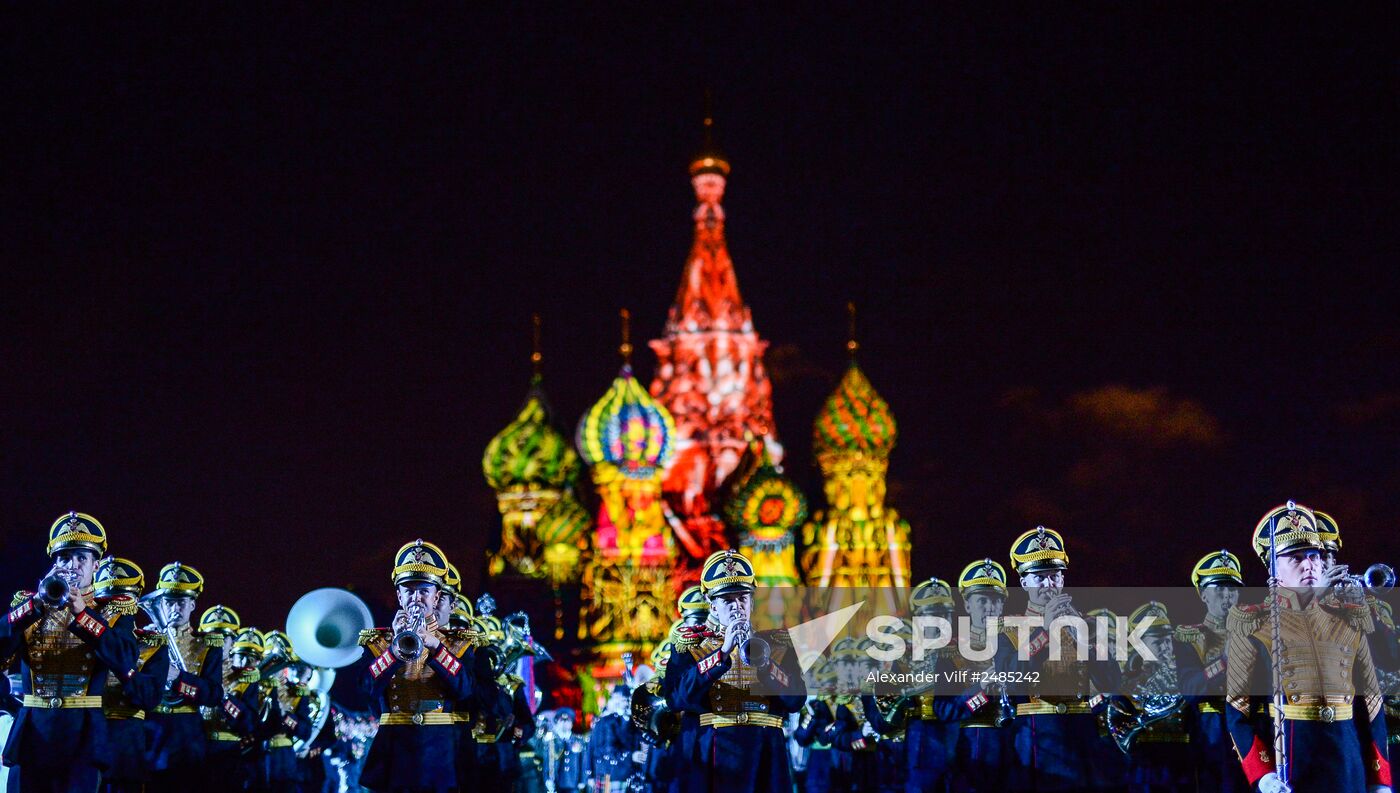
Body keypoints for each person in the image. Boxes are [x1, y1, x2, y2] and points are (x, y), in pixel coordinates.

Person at [1225, 502, 1392, 793]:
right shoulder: (1254, 625)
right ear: (1274, 569)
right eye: (1296, 557)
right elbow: (1238, 711)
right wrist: (1262, 775)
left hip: (1347, 760)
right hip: (1293, 760)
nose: (1310, 565)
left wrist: (1380, 779)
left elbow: (1372, 707)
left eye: (1314, 555)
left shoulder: (1348, 621)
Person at [0, 511, 140, 793]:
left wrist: (82, 613)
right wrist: (37, 604)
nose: (72, 566)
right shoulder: (29, 605)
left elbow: (125, 659)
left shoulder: (112, 611)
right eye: (64, 558)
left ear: (95, 565)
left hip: (83, 736)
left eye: (81, 558)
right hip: (32, 733)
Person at [994, 526, 1124, 792]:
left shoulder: (1087, 623)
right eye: (1039, 577)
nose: (1049, 585)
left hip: (1084, 735)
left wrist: (1084, 638)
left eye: (1054, 576)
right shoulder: (1007, 629)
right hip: (1037, 737)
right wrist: (1046, 630)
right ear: (1024, 582)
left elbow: (1112, 680)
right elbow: (1012, 680)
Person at [666, 549, 806, 792]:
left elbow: (795, 700)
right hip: (714, 752)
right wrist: (721, 654)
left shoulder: (779, 643)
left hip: (766, 754)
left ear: (752, 601)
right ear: (711, 604)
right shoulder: (689, 644)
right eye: (727, 600)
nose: (737, 607)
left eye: (743, 598)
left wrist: (764, 663)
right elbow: (676, 697)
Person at [357, 539, 489, 793]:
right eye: (409, 590)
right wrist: (394, 651)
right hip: (395, 754)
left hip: (443, 754)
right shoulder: (379, 641)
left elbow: (466, 690)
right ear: (398, 595)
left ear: (436, 595)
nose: (416, 598)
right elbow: (365, 691)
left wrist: (435, 647)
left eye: (423, 591)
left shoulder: (460, 643)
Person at [1173, 549, 1250, 792]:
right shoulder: (1188, 636)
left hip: (1251, 728)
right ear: (1203, 594)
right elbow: (1190, 689)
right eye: (1219, 589)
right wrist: (1224, 661)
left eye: (1232, 589)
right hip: (1212, 730)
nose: (1227, 596)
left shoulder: (1253, 632)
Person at [147, 561, 225, 793]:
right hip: (151, 733)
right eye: (169, 602)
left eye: (181, 602)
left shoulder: (207, 645)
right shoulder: (147, 639)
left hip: (187, 737)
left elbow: (213, 695)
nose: (174, 609)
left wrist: (176, 678)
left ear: (192, 604)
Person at [947, 559, 1011, 793]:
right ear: (967, 605)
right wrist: (980, 689)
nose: (989, 608)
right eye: (982, 600)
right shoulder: (950, 651)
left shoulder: (1018, 646)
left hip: (1016, 745)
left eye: (995, 601)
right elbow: (945, 710)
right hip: (971, 747)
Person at [1117, 602, 1191, 793]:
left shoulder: (1186, 677)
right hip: (1145, 766)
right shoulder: (1128, 684)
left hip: (1183, 763)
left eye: (1168, 640)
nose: (1167, 647)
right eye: (1158, 642)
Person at [197, 603, 247, 792]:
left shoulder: (243, 678)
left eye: (224, 637)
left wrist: (223, 698)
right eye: (212, 635)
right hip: (196, 746)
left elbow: (248, 722)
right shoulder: (195, 668)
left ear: (233, 643)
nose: (218, 641)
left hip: (228, 752)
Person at [589, 684, 641, 792]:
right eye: (621, 699)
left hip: (629, 773)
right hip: (611, 773)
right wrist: (631, 757)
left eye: (627, 699)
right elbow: (604, 749)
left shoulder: (633, 722)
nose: (625, 703)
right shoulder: (606, 722)